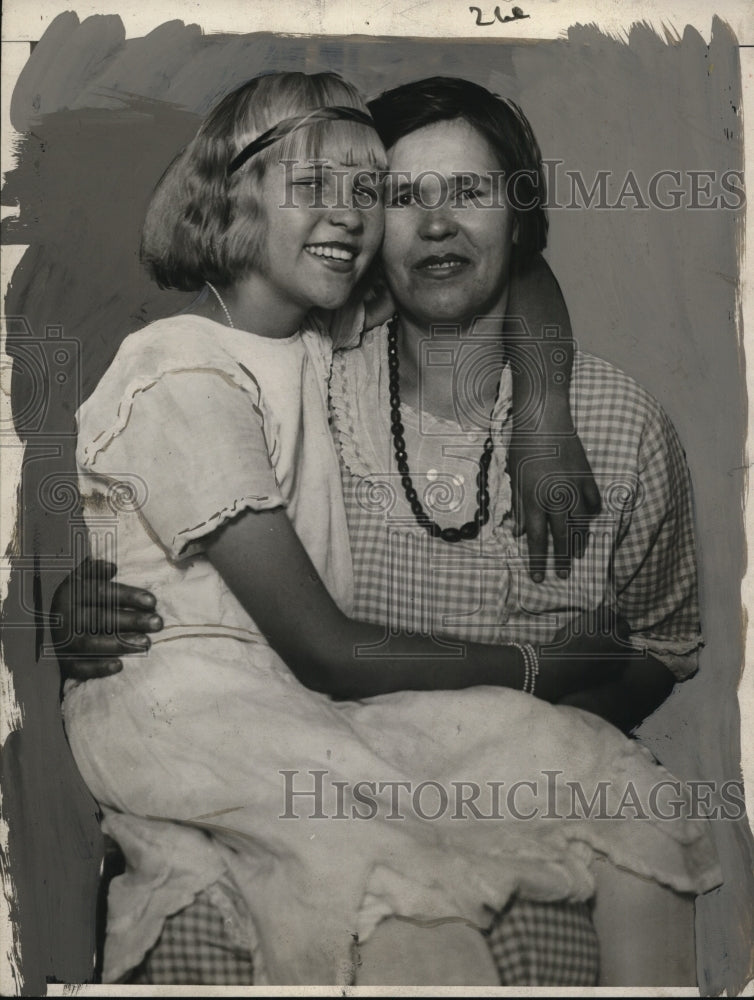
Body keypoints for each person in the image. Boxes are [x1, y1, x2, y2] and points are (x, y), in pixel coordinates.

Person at [58, 73, 720, 987]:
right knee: (382, 897)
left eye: (469, 193)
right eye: (401, 196)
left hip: (423, 738)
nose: (430, 222)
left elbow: (659, 641)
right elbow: (282, 616)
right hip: (271, 727)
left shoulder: (616, 423)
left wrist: (544, 406)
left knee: (640, 808)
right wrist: (81, 588)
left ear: (517, 216)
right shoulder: (319, 360)